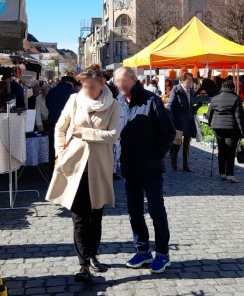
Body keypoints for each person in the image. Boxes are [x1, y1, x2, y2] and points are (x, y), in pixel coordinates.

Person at [46, 64, 120, 282]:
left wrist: (84, 132)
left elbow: (113, 135)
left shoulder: (113, 105)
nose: (87, 90)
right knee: (79, 217)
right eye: (84, 86)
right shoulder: (75, 100)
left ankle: (94, 255)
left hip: (99, 166)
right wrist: (60, 151)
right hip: (75, 165)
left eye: (91, 86)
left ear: (102, 84)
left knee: (96, 215)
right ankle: (83, 264)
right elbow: (60, 127)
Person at [113, 66, 176, 274]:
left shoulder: (151, 100)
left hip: (150, 168)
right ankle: (142, 251)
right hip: (128, 167)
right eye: (116, 82)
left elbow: (168, 132)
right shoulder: (118, 102)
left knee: (156, 211)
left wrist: (155, 154)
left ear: (133, 79)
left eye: (122, 81)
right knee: (134, 212)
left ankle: (162, 254)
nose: (119, 85)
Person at [207, 79, 244, 182]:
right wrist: (243, 132)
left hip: (217, 128)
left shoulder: (215, 98)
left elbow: (209, 114)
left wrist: (210, 125)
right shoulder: (235, 98)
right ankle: (230, 174)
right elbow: (239, 117)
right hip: (231, 129)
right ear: (232, 88)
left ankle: (222, 173)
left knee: (221, 150)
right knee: (230, 151)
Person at [46, 76, 78, 173]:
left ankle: (53, 171)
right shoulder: (73, 92)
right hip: (68, 124)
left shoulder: (52, 91)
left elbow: (47, 104)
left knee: (53, 148)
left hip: (53, 122)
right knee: (68, 148)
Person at [167, 72, 197, 172]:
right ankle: (174, 162)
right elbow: (169, 106)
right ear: (182, 80)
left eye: (191, 80)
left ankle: (185, 164)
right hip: (178, 120)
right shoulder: (176, 90)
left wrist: (196, 108)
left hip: (188, 120)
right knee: (177, 142)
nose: (190, 82)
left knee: (187, 143)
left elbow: (190, 106)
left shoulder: (191, 91)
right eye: (188, 79)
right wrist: (171, 120)